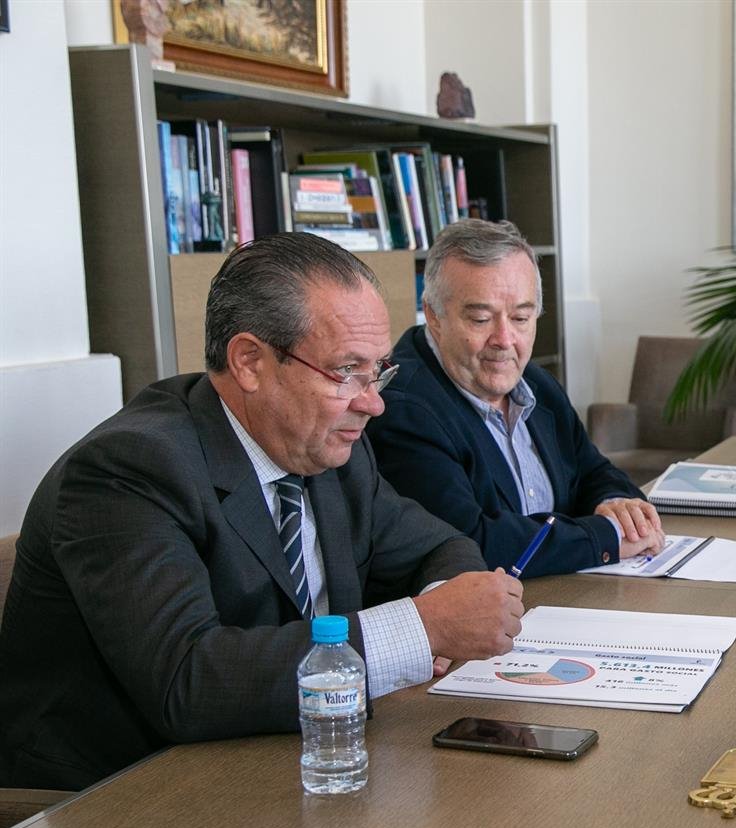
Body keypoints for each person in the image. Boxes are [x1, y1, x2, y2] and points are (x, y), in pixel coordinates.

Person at [0, 234, 525, 791]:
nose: (373, 402)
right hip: (110, 799)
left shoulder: (330, 446)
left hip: (286, 757)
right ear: (249, 361)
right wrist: (424, 627)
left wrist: (446, 607)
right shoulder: (128, 469)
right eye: (347, 370)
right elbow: (187, 681)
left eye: (378, 371)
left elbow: (439, 546)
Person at [367, 219, 664, 575]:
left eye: (521, 317)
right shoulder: (402, 407)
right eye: (480, 319)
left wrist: (617, 504)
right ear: (434, 316)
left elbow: (591, 470)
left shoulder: (536, 383)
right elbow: (469, 543)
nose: (505, 339)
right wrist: (603, 539)